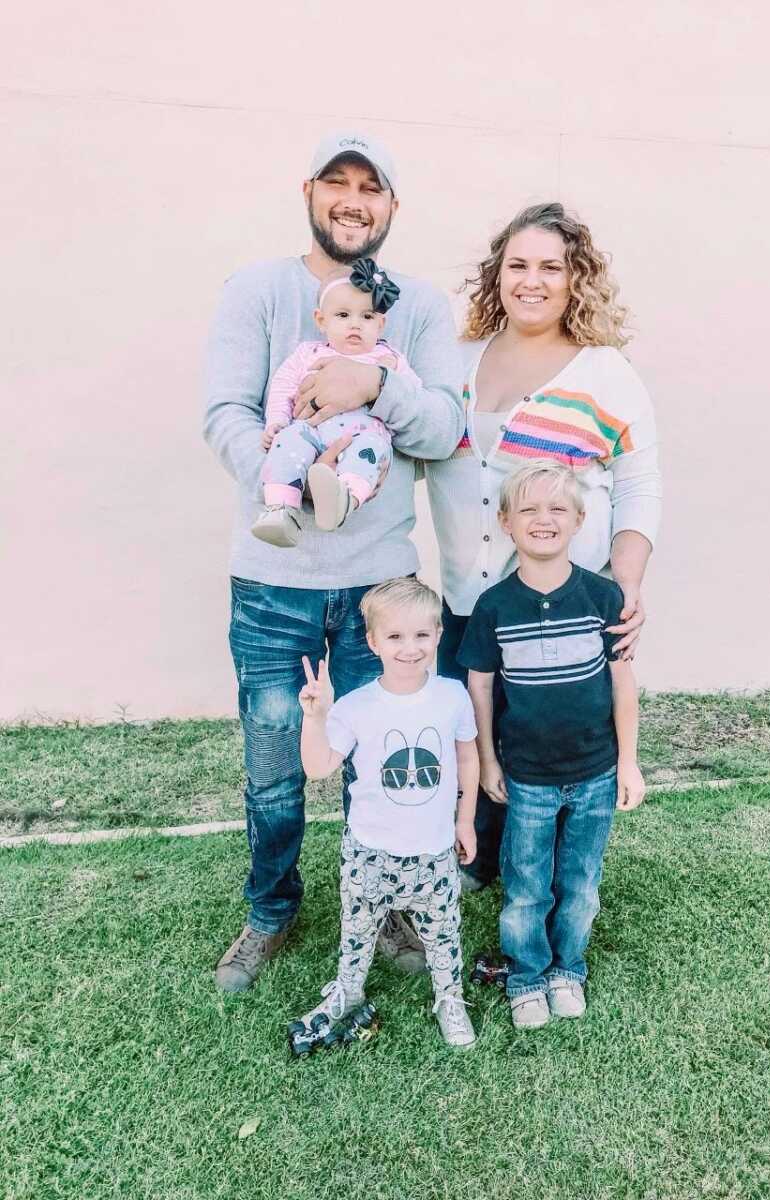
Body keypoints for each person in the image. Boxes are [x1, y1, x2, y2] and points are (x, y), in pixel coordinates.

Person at [204, 130, 464, 992]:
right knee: (275, 771)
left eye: (372, 188)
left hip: (378, 587)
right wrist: (296, 476)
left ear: (392, 207)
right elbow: (227, 412)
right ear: (310, 191)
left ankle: (384, 908)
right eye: (338, 184)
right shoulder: (259, 290)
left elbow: (441, 429)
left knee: (377, 763)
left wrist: (372, 388)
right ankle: (271, 912)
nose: (354, 201)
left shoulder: (416, 309)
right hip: (273, 581)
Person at [425, 201, 661, 891]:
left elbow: (640, 484)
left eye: (551, 267)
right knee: (473, 724)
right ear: (497, 275)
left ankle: (552, 871)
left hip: (560, 598)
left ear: (575, 278)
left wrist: (624, 585)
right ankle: (476, 854)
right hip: (468, 595)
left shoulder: (604, 371)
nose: (533, 280)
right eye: (518, 264)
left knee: (546, 730)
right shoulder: (456, 362)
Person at [458, 461, 646, 1029]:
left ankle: (568, 969)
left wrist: (629, 764)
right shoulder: (493, 606)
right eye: (529, 510)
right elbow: (481, 686)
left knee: (580, 883)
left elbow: (622, 681)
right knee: (526, 887)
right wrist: (489, 759)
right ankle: (526, 975)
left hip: (595, 771)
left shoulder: (603, 595)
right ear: (506, 522)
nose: (544, 520)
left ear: (580, 519)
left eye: (557, 508)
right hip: (527, 776)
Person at [288, 577, 479, 1048]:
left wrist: (465, 819)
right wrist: (315, 718)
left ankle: (449, 998)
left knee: (443, 933)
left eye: (421, 635)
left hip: (433, 853)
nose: (409, 648)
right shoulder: (355, 707)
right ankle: (347, 991)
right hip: (369, 852)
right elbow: (318, 768)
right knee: (356, 932)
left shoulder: (452, 695)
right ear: (373, 641)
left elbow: (467, 758)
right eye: (395, 636)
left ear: (437, 635)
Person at [254, 258, 419, 544]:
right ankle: (281, 509)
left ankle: (344, 500)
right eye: (343, 315)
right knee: (288, 441)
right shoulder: (307, 355)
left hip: (363, 436)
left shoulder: (388, 360)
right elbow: (283, 387)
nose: (355, 325)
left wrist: (388, 378)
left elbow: (414, 398)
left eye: (366, 317)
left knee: (370, 451)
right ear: (321, 320)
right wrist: (277, 421)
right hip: (312, 433)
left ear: (381, 324)